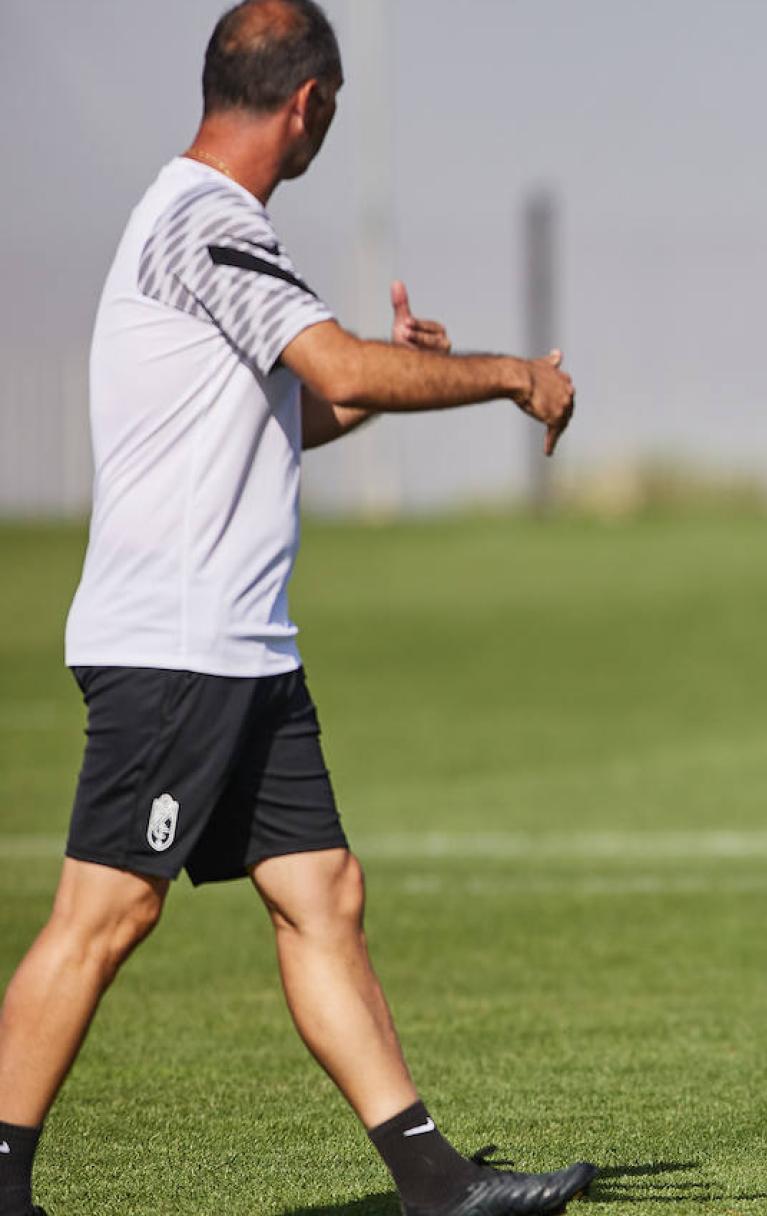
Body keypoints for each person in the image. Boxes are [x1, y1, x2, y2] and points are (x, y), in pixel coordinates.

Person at [0, 3, 594, 1213]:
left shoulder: (203, 226)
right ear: (309, 104)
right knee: (106, 911)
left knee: (322, 891)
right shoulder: (207, 221)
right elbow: (336, 365)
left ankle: (434, 1182)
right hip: (178, 644)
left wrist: (388, 374)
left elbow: (304, 403)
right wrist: (506, 375)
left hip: (241, 647)